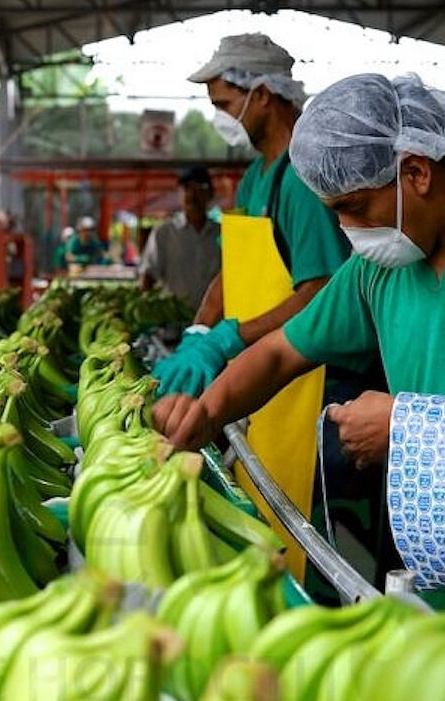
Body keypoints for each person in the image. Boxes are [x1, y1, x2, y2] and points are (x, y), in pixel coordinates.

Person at [154, 73, 445, 701]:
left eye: (354, 207)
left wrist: (408, 426)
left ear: (417, 173)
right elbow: (278, 355)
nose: (350, 230)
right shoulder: (385, 266)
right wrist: (206, 411)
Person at [152, 33, 364, 584]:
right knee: (265, 513)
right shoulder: (256, 177)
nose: (223, 117)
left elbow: (320, 294)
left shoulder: (302, 179)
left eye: (225, 104)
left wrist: (230, 339)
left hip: (312, 386)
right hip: (265, 381)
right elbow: (232, 268)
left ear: (264, 94)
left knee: (303, 532)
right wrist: (201, 330)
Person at [138, 166, 221, 312]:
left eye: (200, 187)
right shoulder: (164, 233)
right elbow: (148, 275)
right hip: (174, 320)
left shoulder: (221, 233)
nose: (192, 194)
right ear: (179, 193)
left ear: (210, 193)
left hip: (213, 322)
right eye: (187, 187)